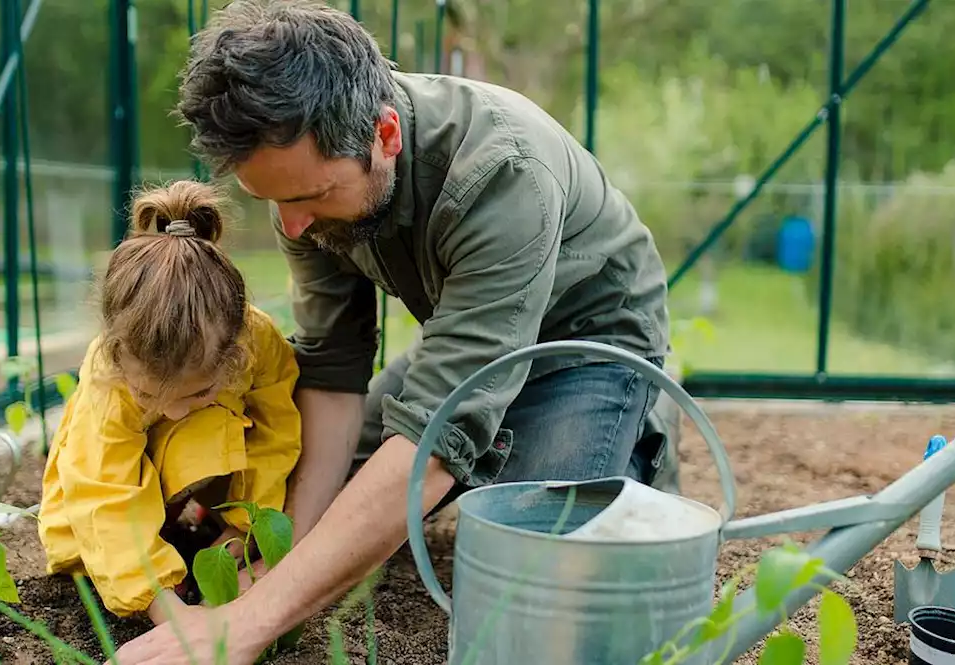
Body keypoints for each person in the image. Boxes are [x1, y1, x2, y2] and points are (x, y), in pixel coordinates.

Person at [112, 1, 672, 662]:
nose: (291, 227)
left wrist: (255, 619)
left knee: (534, 564)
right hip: (468, 347)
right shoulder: (304, 192)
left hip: (585, 348)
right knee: (303, 485)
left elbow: (439, 430)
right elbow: (332, 367)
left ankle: (636, 448)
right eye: (274, 202)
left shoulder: (500, 173)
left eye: (311, 196)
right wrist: (277, 560)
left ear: (385, 135)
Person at [38, 180, 303, 623]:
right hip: (106, 492)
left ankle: (190, 526)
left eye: (198, 391)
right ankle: (147, 559)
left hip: (189, 488)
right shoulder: (108, 378)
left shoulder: (257, 340)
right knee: (83, 540)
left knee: (215, 425)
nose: (175, 409)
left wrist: (242, 527)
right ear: (117, 354)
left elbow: (275, 437)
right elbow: (103, 491)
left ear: (235, 350)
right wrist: (164, 608)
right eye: (148, 394)